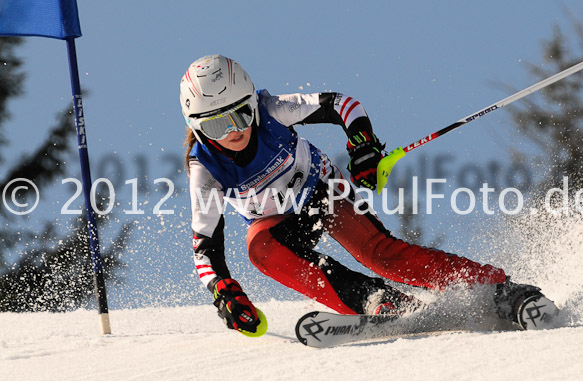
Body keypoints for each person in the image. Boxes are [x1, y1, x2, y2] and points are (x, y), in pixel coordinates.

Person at [180, 54, 557, 335]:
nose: (233, 130)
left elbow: (342, 104)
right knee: (259, 248)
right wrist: (224, 292)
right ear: (197, 127)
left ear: (251, 104)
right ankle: (377, 301)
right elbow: (205, 246)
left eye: (240, 115)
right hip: (279, 226)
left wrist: (363, 146)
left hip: (322, 192)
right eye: (216, 123)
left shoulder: (272, 110)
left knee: (380, 254)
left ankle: (498, 290)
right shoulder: (205, 171)